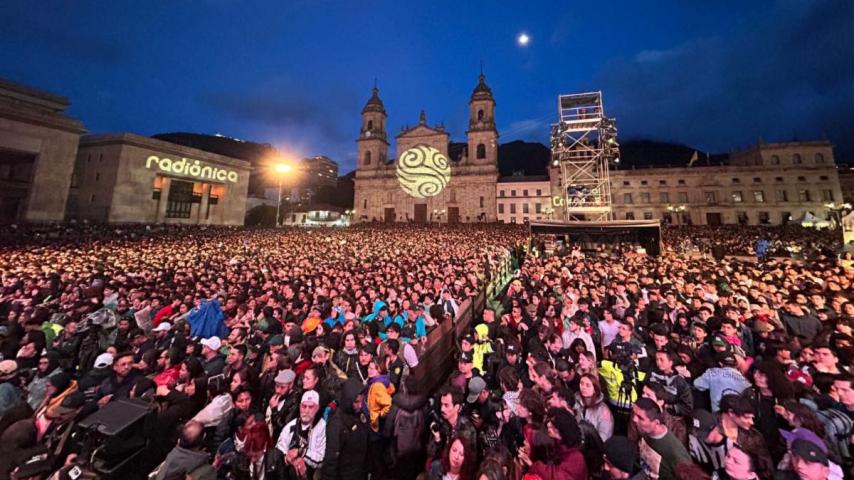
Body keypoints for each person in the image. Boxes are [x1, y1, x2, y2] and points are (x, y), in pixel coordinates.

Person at [631, 397, 691, 480]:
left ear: (656, 423)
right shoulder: (644, 431)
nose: (634, 419)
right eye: (634, 414)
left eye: (640, 418)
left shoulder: (676, 453)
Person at [321, 378, 369, 480]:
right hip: (345, 474)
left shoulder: (359, 414)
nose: (360, 405)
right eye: (356, 402)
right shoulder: (337, 423)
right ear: (348, 400)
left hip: (360, 471)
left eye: (362, 401)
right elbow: (331, 459)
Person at [276, 390, 327, 480]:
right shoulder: (291, 426)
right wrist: (289, 459)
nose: (306, 410)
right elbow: (279, 450)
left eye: (311, 407)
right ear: (299, 407)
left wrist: (301, 452)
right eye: (304, 406)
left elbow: (321, 460)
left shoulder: (322, 427)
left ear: (317, 408)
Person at [573, 373, 614, 442]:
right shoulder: (575, 402)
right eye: (581, 383)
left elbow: (605, 434)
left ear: (595, 389)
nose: (583, 387)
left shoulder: (603, 410)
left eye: (588, 385)